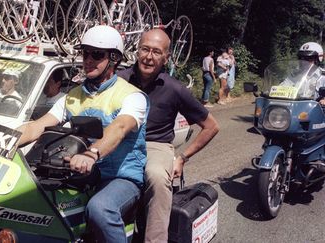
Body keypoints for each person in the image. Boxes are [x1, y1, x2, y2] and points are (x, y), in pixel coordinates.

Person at [18, 25, 149, 243]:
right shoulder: (72, 96)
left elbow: (119, 128)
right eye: (85, 53)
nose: (88, 59)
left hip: (120, 176)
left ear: (114, 58)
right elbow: (36, 126)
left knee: (100, 209)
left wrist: (91, 154)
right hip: (79, 174)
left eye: (96, 54)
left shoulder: (132, 96)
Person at [117, 29, 219, 243]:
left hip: (155, 145)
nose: (149, 57)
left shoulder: (175, 89)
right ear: (137, 51)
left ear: (166, 58)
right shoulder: (119, 80)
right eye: (145, 49)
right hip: (119, 139)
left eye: (156, 52)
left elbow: (211, 126)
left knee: (157, 176)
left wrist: (182, 158)